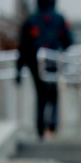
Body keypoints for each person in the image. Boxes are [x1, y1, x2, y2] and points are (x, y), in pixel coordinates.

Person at [16, 0, 73, 140]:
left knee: (41, 96)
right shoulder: (59, 18)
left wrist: (18, 69)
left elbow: (23, 46)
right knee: (53, 94)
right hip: (53, 61)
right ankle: (52, 126)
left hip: (35, 63)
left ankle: (41, 129)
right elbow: (68, 41)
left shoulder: (31, 19)